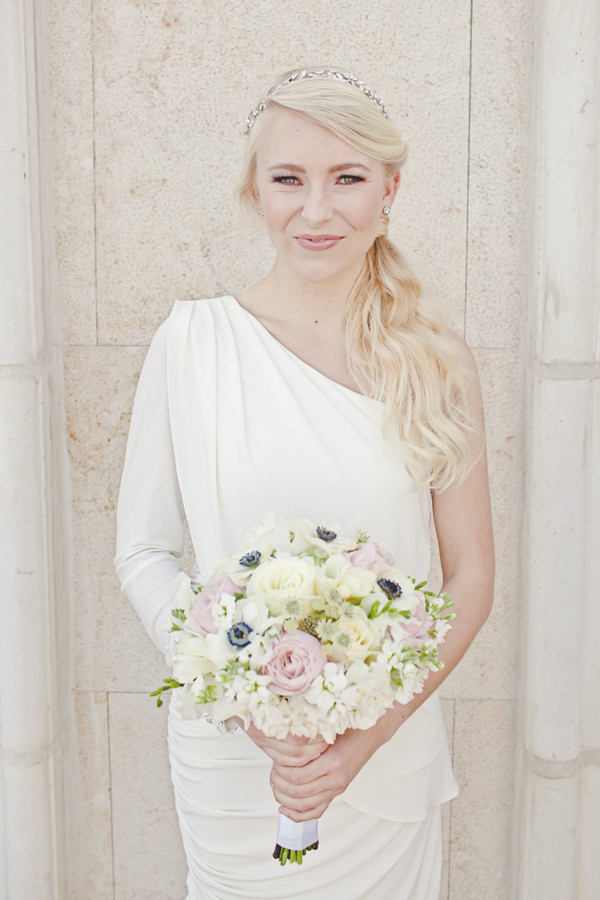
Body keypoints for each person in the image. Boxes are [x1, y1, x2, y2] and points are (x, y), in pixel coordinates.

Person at [115, 67, 494, 900]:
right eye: (289, 179)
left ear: (390, 189)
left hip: (386, 764)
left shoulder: (438, 365)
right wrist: (243, 696)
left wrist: (364, 741)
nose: (316, 210)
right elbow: (143, 552)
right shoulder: (191, 345)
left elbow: (469, 577)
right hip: (233, 762)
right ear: (255, 190)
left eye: (347, 179)